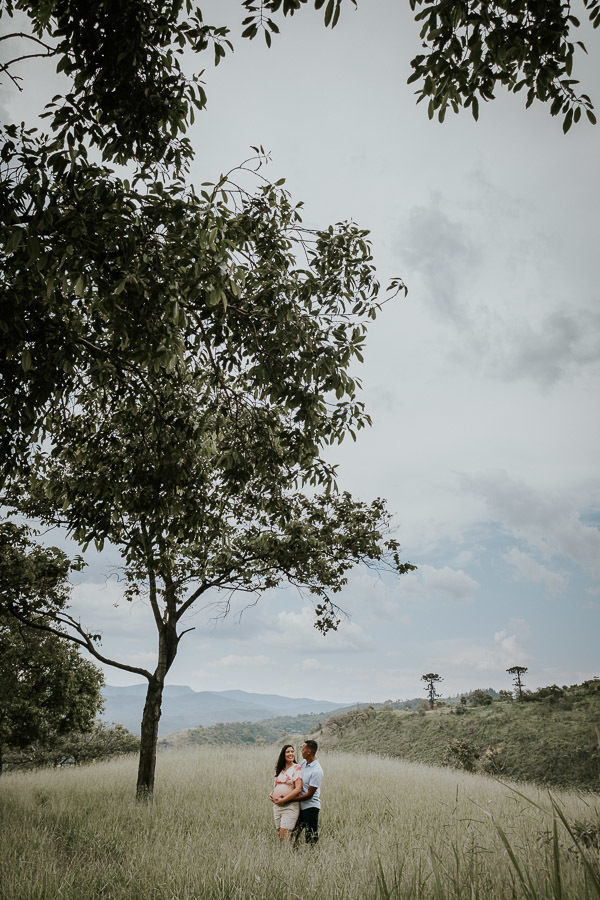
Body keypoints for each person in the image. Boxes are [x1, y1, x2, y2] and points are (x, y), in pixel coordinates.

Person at [269, 744, 303, 841]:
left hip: (290, 806)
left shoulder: (297, 767)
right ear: (283, 755)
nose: (291, 753)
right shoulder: (279, 769)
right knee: (280, 834)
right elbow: (276, 786)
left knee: (284, 836)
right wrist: (272, 794)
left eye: (292, 751)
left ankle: (286, 853)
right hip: (277, 806)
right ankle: (286, 853)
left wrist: (283, 800)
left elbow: (298, 789)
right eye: (288, 752)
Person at [293, 739, 323, 845]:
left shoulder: (317, 770)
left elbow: (309, 795)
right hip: (299, 806)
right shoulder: (304, 763)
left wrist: (291, 799)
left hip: (310, 807)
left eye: (303, 748)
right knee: (293, 835)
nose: (301, 750)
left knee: (311, 837)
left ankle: (313, 857)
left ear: (309, 751)